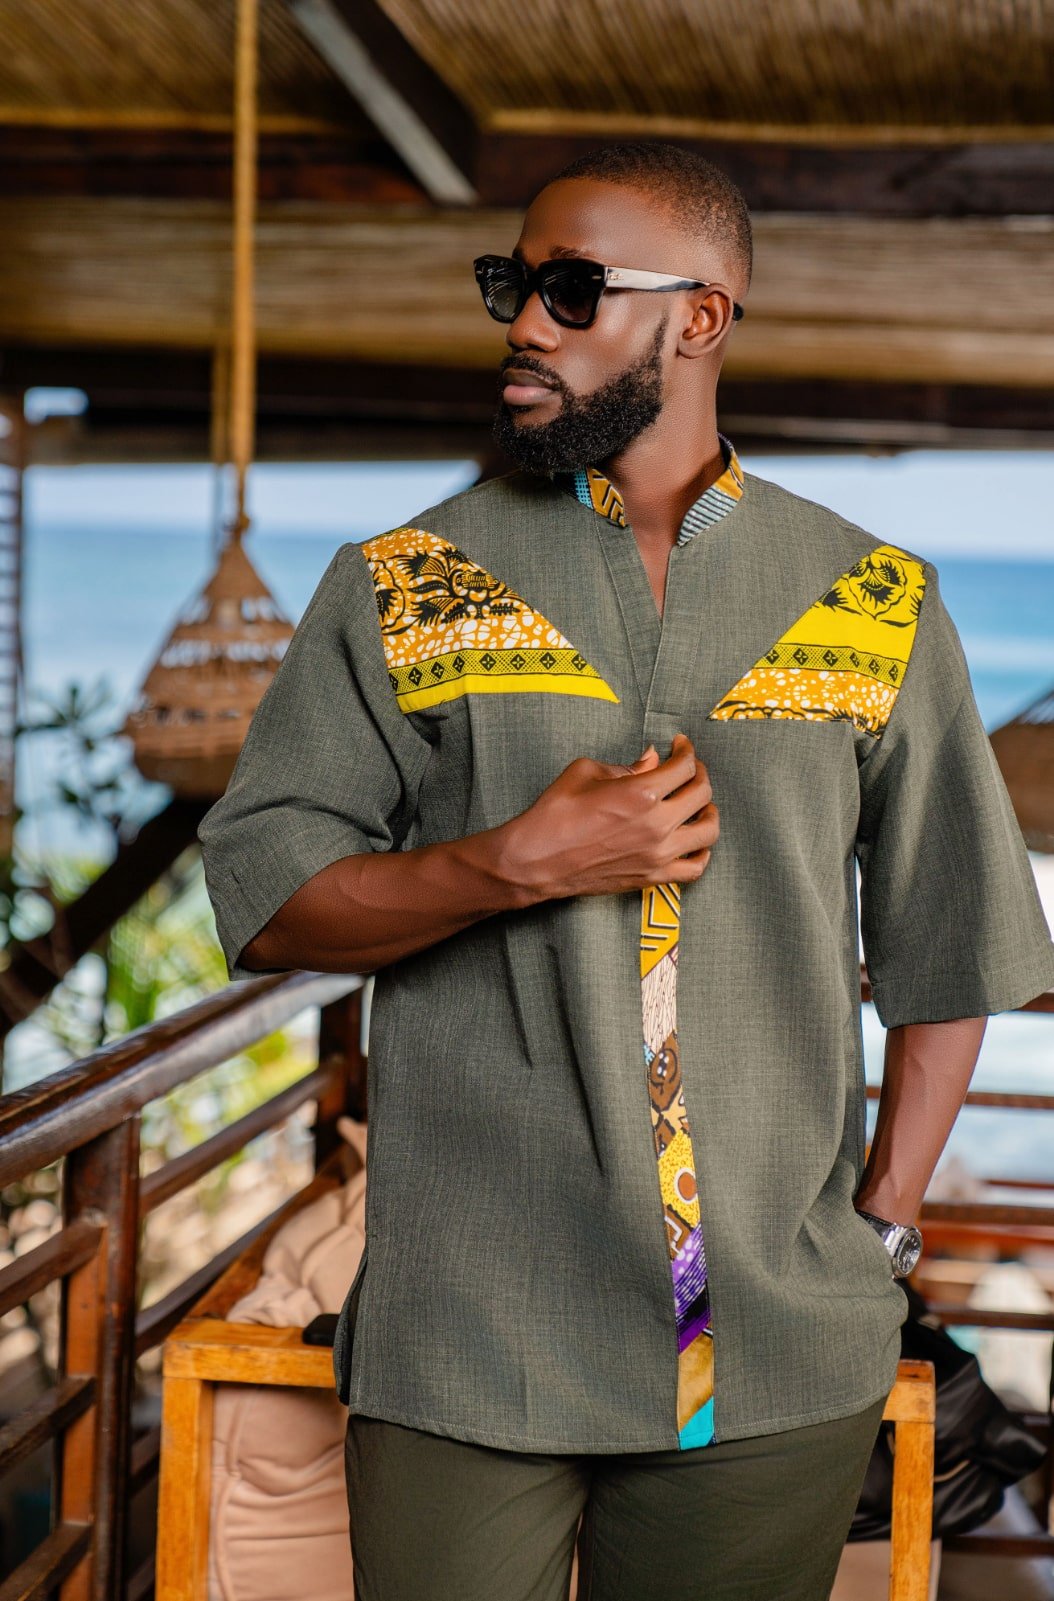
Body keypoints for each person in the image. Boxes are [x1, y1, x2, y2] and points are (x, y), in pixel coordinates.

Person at [197, 143, 1054, 1601]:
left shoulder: (874, 602)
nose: (526, 324)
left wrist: (881, 1233)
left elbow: (953, 943)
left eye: (573, 290)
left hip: (773, 1341)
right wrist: (510, 863)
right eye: (514, 286)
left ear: (700, 318)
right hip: (467, 1330)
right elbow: (270, 898)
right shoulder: (405, 584)